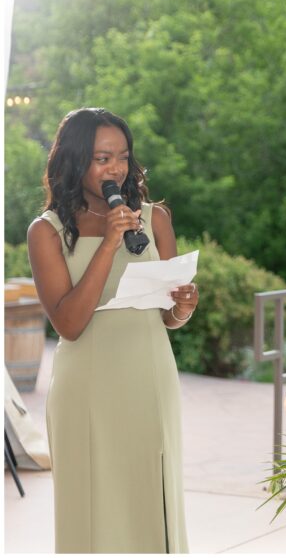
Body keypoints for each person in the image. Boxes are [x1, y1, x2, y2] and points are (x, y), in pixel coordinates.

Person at [27, 108, 197, 553]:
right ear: (75, 160)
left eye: (122, 156)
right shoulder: (47, 232)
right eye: (102, 158)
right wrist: (107, 242)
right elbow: (69, 323)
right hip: (86, 388)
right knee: (91, 509)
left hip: (149, 378)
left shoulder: (155, 219)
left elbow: (166, 317)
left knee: (150, 502)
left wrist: (183, 308)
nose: (116, 169)